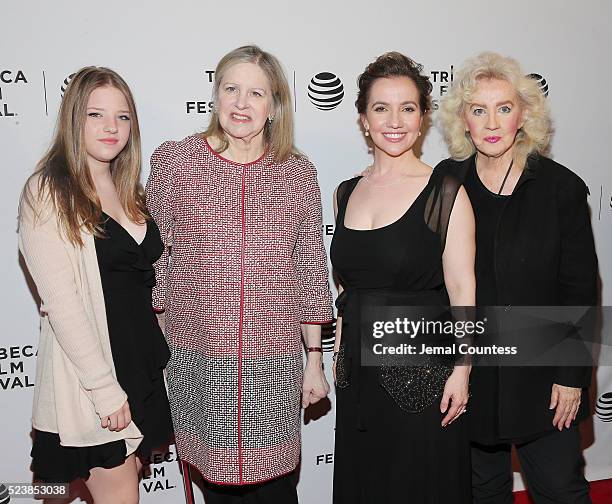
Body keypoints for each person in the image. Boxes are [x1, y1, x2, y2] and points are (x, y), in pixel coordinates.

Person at [145, 45, 333, 503]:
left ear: (274, 107)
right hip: (199, 359)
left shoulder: (297, 172)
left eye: (256, 93)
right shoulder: (176, 163)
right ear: (215, 96)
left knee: (275, 491)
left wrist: (314, 360)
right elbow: (154, 261)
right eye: (231, 89)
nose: (241, 103)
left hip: (275, 363)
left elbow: (309, 269)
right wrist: (153, 343)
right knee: (217, 490)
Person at [437, 51, 597, 503]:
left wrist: (571, 376)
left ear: (523, 114)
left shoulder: (560, 187)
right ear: (462, 119)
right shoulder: (447, 182)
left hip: (543, 377)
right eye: (478, 109)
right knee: (480, 491)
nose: (492, 122)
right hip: (473, 373)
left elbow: (579, 290)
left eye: (504, 108)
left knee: (561, 491)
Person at [18, 66, 173, 504]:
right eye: (95, 114)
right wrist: (104, 391)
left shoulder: (130, 191)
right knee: (116, 492)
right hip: (94, 373)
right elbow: (62, 303)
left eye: (123, 117)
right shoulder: (48, 192)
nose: (112, 127)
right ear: (73, 120)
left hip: (140, 364)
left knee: (96, 487)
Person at [330, 52, 476, 504]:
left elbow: (463, 289)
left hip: (423, 371)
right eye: (381, 108)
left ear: (422, 119)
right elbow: (347, 286)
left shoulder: (445, 192)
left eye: (408, 108)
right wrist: (337, 353)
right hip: (358, 373)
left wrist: (464, 369)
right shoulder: (346, 191)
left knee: (418, 485)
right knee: (367, 483)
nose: (395, 121)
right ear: (363, 119)